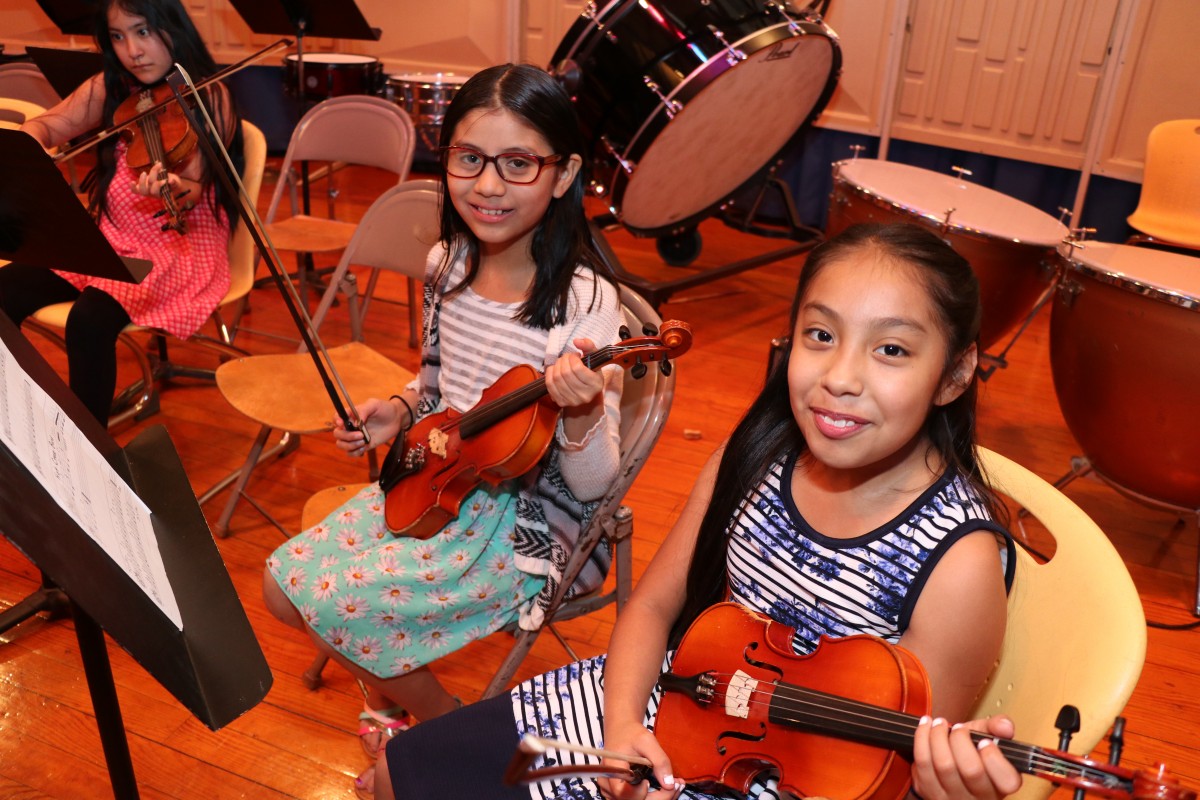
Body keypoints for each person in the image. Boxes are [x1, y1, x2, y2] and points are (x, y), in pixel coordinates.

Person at [372, 222, 1027, 800]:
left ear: (955, 372)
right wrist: (624, 730)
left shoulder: (959, 564)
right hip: (663, 703)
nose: (841, 376)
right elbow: (655, 607)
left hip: (779, 784)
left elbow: (882, 776)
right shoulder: (755, 456)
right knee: (398, 776)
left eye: (892, 349)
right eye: (821, 335)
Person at [260, 63, 625, 798]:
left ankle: (437, 735)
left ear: (564, 175)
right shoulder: (446, 264)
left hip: (530, 518)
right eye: (469, 159)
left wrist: (582, 410)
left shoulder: (585, 302)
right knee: (278, 587)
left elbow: (595, 487)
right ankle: (436, 719)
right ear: (446, 159)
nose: (488, 186)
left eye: (518, 163)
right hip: (439, 479)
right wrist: (395, 413)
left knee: (334, 603)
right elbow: (434, 386)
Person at [0, 0, 242, 423]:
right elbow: (50, 124)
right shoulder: (111, 86)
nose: (132, 50)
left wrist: (174, 187)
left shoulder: (210, 95)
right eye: (118, 36)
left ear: (174, 28)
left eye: (143, 31)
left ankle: (88, 449)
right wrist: (29, 143)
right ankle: (18, 426)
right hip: (111, 237)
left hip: (178, 247)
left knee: (89, 321)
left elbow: (195, 186)